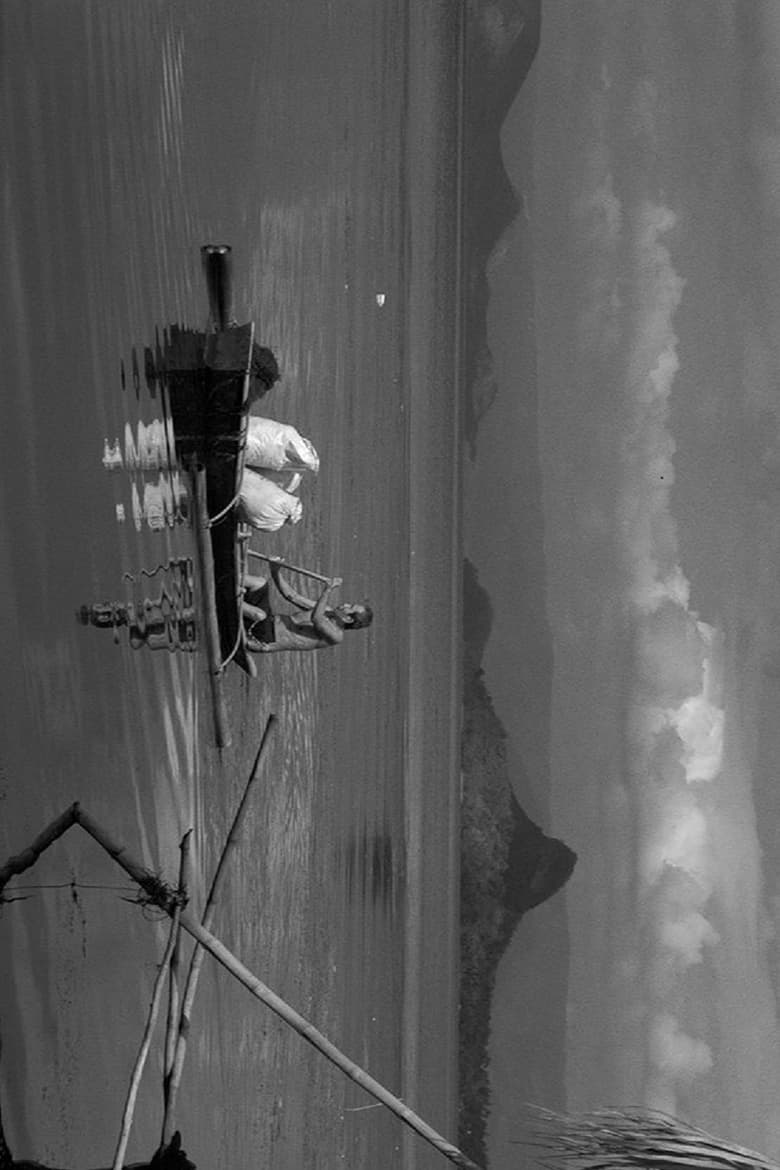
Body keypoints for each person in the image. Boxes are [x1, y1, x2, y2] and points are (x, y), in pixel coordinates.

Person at [241, 562, 373, 652]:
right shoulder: (326, 610)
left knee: (259, 615)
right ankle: (230, 584)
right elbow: (292, 596)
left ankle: (234, 601)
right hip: (267, 620)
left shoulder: (336, 636)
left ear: (348, 619)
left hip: (264, 638)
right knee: (260, 583)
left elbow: (317, 619)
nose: (345, 604)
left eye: (350, 607)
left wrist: (328, 590)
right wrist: (275, 571)